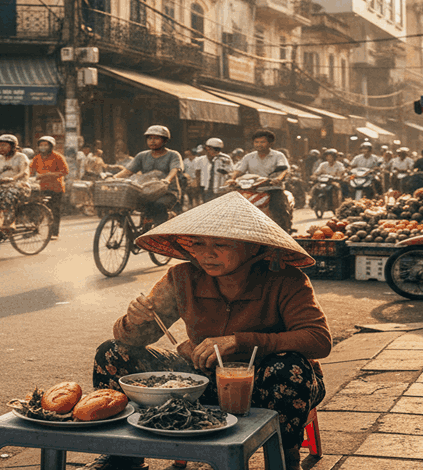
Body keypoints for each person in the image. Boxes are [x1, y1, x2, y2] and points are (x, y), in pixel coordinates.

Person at [90, 192, 330, 470]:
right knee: (112, 351)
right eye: (198, 244)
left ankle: (285, 459)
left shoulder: (286, 279)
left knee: (287, 367)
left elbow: (319, 340)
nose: (207, 253)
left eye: (221, 244)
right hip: (202, 380)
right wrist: (135, 320)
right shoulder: (182, 277)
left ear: (253, 247)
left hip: (270, 387)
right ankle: (122, 457)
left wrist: (239, 342)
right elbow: (134, 339)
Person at [113, 125, 183, 225]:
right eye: (150, 138)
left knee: (158, 205)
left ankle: (165, 223)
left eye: (156, 138)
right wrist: (113, 178)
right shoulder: (142, 156)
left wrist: (167, 179)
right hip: (147, 192)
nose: (152, 141)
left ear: (165, 141)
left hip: (168, 192)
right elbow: (127, 171)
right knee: (125, 204)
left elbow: (174, 169)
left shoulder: (173, 155)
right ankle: (129, 234)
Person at [228, 129, 292, 232]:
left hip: (273, 189)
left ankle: (284, 231)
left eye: (262, 142)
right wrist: (232, 179)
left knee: (279, 209)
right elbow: (239, 170)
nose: (259, 144)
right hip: (252, 189)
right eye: (256, 142)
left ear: (270, 143)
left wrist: (278, 179)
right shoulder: (248, 157)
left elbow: (284, 169)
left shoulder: (278, 156)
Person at [30, 135, 68, 239]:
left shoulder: (58, 157)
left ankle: (54, 232)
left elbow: (65, 171)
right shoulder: (36, 158)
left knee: (54, 210)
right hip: (42, 187)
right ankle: (35, 228)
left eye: (45, 145)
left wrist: (47, 174)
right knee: (39, 208)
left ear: (51, 146)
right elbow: (30, 171)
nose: (43, 147)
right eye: (41, 145)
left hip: (56, 188)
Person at [198, 138, 233, 203]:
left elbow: (230, 173)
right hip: (207, 189)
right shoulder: (202, 159)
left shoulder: (225, 158)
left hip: (220, 190)